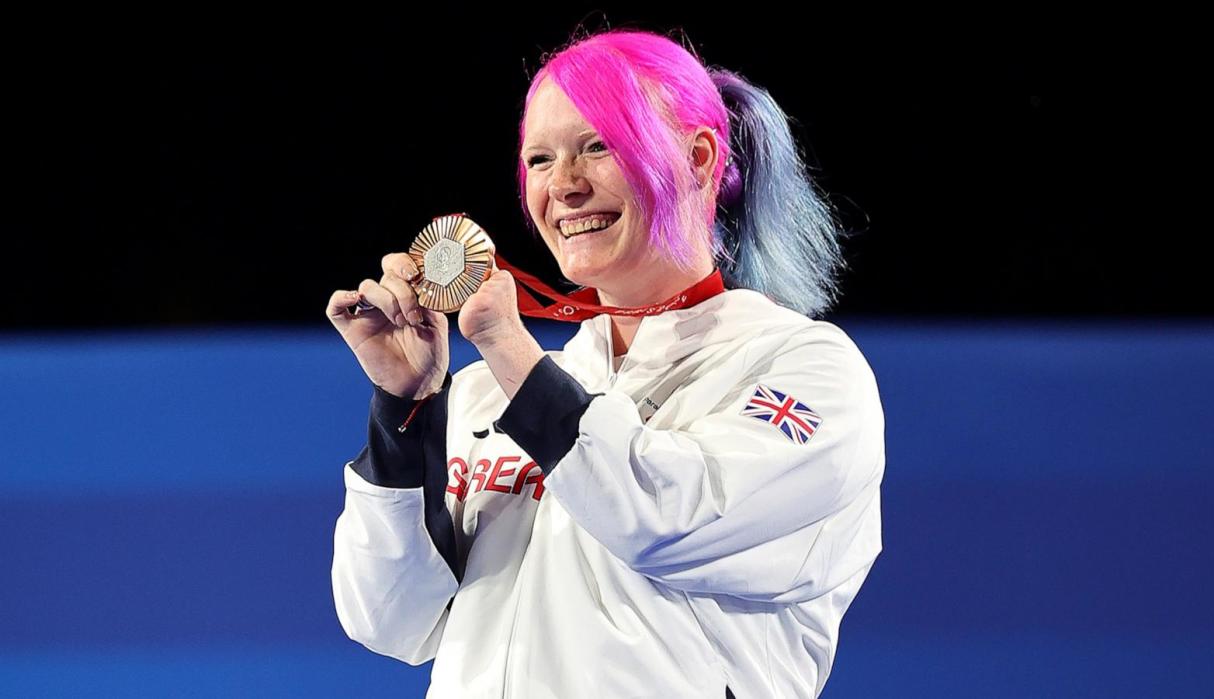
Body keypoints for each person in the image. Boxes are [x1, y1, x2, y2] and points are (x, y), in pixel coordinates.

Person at [324, 29, 884, 699]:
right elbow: (390, 619)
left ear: (700, 159)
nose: (563, 185)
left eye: (599, 146)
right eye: (539, 159)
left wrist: (512, 352)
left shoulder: (802, 369)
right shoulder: (481, 395)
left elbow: (663, 521)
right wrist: (405, 411)